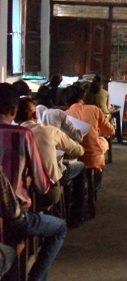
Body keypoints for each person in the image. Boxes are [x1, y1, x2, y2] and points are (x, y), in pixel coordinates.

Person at [0, 83, 67, 281]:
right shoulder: (23, 135)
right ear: (13, 110)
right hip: (15, 218)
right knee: (59, 228)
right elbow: (40, 183)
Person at [15, 97, 87, 227]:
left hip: (17, 196)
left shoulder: (9, 135)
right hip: (46, 193)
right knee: (80, 167)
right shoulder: (49, 131)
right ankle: (75, 215)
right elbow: (79, 150)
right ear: (35, 114)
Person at [64, 85, 115, 190]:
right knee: (102, 141)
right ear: (83, 97)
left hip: (74, 159)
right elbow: (110, 131)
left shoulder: (64, 115)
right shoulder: (94, 109)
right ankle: (96, 185)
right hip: (93, 158)